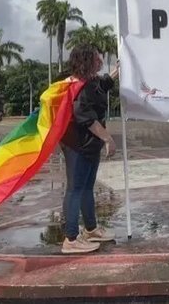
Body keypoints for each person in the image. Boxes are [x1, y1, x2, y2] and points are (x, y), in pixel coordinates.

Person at [59, 45, 119, 254]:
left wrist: (118, 70)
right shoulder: (80, 86)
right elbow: (85, 117)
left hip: (89, 145)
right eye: (96, 57)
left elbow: (103, 85)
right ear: (87, 61)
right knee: (75, 189)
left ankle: (91, 229)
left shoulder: (91, 82)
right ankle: (71, 239)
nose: (100, 59)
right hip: (77, 145)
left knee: (86, 187)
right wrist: (108, 138)